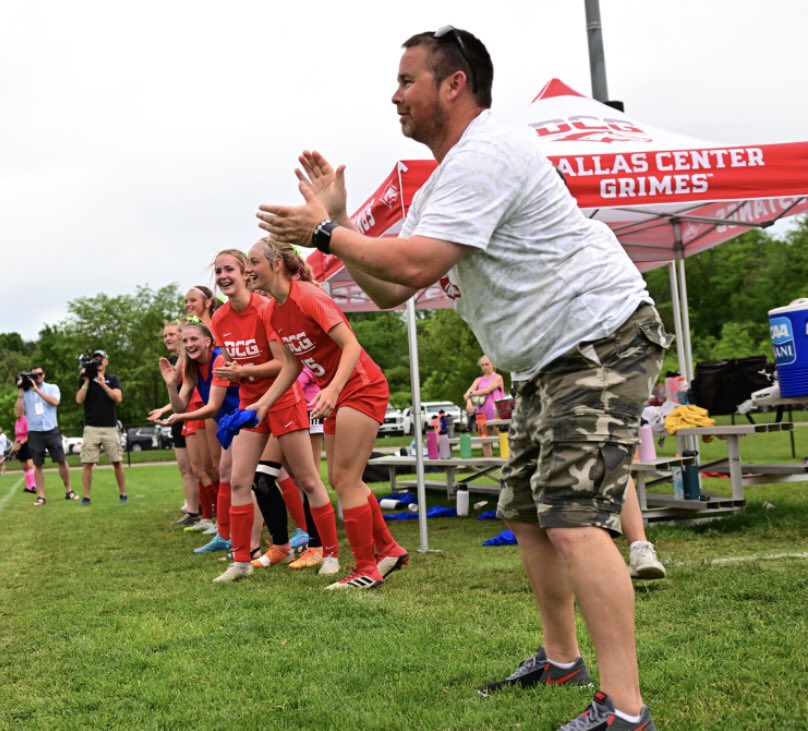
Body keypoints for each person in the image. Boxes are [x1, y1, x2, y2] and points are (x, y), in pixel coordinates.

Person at [255, 27, 670, 729]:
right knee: (525, 507)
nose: (395, 94)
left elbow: (414, 265)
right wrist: (341, 222)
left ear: (455, 85)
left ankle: (625, 711)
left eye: (408, 80)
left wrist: (322, 234)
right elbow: (390, 287)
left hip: (600, 332)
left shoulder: (488, 153)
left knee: (571, 513)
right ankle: (561, 658)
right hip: (548, 355)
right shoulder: (445, 179)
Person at [246, 237, 408, 591]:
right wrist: (263, 404)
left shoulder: (308, 295)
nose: (248, 269)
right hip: (339, 393)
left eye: (253, 261)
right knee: (340, 479)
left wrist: (332, 389)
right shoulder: (274, 310)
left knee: (346, 479)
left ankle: (367, 568)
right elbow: (290, 365)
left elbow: (351, 345)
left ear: (276, 264)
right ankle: (390, 550)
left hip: (360, 387)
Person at [207, 249, 339, 583]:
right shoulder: (219, 320)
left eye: (230, 269)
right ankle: (239, 561)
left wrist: (244, 371)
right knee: (240, 479)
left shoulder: (266, 309)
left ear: (245, 274)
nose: (223, 276)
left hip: (282, 402)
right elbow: (228, 369)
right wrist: (223, 386)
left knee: (307, 479)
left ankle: (329, 553)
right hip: (250, 408)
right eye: (218, 271)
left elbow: (285, 364)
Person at [148, 321, 201, 526]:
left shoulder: (191, 358)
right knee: (185, 467)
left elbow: (190, 389)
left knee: (203, 469)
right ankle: (194, 510)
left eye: (172, 334)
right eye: (165, 336)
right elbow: (179, 395)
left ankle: (207, 511)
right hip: (180, 415)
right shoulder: (172, 360)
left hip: (195, 414)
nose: (168, 338)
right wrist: (165, 409)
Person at [16, 365, 76, 505]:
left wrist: (36, 390)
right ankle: (41, 496)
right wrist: (20, 391)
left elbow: (55, 402)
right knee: (38, 464)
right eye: (35, 374)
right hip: (35, 432)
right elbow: (19, 413)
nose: (38, 376)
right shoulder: (25, 392)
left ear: (44, 375)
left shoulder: (52, 388)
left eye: (40, 374)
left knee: (61, 460)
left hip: (51, 430)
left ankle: (69, 491)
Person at [75, 350, 128, 505]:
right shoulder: (86, 379)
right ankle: (86, 497)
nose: (98, 362)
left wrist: (103, 383)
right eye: (95, 360)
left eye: (101, 359)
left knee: (117, 461)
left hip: (110, 427)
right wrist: (86, 381)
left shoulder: (112, 379)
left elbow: (118, 398)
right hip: (91, 427)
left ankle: (123, 494)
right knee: (87, 463)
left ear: (106, 362)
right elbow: (79, 400)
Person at [463, 355, 504, 457]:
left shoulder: (498, 377)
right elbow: (466, 394)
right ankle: (489, 465)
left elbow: (487, 390)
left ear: (493, 365)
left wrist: (472, 394)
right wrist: (469, 402)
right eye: (482, 365)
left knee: (501, 439)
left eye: (487, 364)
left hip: (496, 414)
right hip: (481, 415)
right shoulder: (478, 380)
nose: (484, 367)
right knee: (485, 441)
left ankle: (507, 463)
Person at [12, 404, 37, 493]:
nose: (16, 412)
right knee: (24, 467)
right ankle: (28, 487)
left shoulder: (26, 420)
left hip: (27, 444)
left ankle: (34, 486)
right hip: (20, 445)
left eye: (18, 410)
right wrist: (14, 445)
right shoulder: (17, 421)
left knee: (30, 465)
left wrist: (21, 443)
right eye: (15, 410)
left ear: (22, 411)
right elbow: (17, 436)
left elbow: (28, 434)